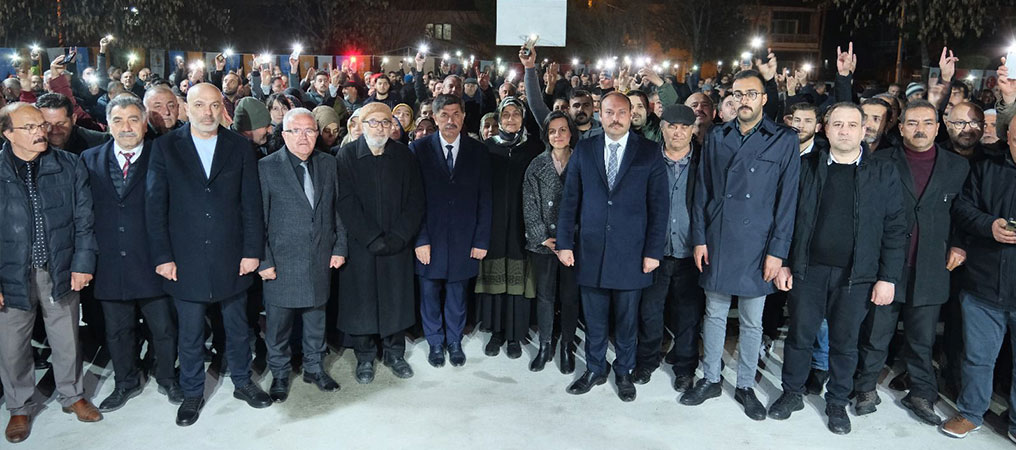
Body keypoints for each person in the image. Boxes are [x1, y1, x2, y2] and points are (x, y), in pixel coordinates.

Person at [766, 102, 907, 434]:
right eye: (837, 124)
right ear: (825, 129)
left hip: (856, 276)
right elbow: (785, 219)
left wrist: (887, 278)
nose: (845, 131)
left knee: (845, 343)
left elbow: (895, 228)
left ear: (863, 130)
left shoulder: (883, 172)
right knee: (800, 337)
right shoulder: (806, 167)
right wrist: (784, 262)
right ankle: (792, 393)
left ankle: (837, 402)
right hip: (808, 270)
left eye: (852, 125)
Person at [146, 83, 271, 427]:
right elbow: (155, 207)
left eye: (214, 105)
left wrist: (251, 252)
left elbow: (251, 204)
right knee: (189, 334)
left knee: (238, 327)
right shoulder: (166, 147)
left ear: (222, 109)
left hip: (232, 257)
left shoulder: (239, 147)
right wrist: (163, 256)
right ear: (187, 108)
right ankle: (191, 393)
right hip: (184, 259)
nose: (206, 112)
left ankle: (243, 382)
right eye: (199, 105)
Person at [682, 70, 800, 420]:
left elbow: (787, 200)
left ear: (764, 99)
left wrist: (778, 252)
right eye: (737, 94)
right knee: (714, 314)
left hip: (759, 244)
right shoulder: (717, 136)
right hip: (718, 238)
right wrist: (700, 239)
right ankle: (711, 378)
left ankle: (746, 384)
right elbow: (703, 190)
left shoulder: (783, 139)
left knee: (752, 320)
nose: (743, 100)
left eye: (751, 94)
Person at [853, 100, 971, 425]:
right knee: (876, 333)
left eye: (927, 123)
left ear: (938, 126)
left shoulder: (957, 167)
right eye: (913, 123)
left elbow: (963, 214)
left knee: (922, 339)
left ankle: (921, 394)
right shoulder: (880, 161)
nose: (920, 129)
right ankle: (865, 387)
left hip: (932, 266)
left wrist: (959, 245)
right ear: (901, 127)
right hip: (888, 266)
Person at [556, 91, 669, 402]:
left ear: (630, 114)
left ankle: (623, 371)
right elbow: (570, 201)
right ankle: (594, 368)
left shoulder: (648, 152)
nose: (615, 118)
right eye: (609, 112)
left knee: (626, 320)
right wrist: (565, 243)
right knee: (593, 318)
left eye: (622, 112)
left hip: (632, 254)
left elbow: (659, 207)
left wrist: (652, 252)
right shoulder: (585, 149)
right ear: (600, 115)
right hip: (590, 249)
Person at [0, 102, 101, 443]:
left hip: (58, 266)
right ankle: (19, 406)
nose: (40, 132)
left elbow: (84, 220)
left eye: (40, 125)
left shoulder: (69, 165)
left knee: (66, 336)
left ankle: (72, 396)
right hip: (10, 271)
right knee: (12, 344)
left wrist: (82, 263)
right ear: (7, 133)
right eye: (28, 127)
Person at [80, 96, 183, 413]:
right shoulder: (89, 158)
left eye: (133, 119)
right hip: (110, 262)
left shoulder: (163, 155)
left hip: (155, 261)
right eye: (118, 120)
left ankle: (167, 377)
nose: (126, 127)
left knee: (163, 329)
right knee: (117, 330)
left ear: (144, 122)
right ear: (108, 124)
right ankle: (126, 381)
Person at [257, 108, 345, 402]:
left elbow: (336, 210)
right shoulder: (267, 167)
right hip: (281, 264)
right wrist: (264, 261)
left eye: (310, 130)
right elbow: (259, 221)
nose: (304, 137)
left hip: (319, 258)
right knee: (279, 327)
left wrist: (339, 247)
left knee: (316, 321)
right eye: (296, 131)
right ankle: (280, 373)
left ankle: (314, 368)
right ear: (284, 135)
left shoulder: (328, 164)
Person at [335, 102, 424, 384]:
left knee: (395, 299)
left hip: (397, 244)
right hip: (363, 245)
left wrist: (399, 236)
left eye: (386, 123)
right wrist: (371, 237)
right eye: (373, 122)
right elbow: (345, 202)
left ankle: (394, 353)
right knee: (362, 301)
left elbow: (416, 199)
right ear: (361, 126)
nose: (380, 128)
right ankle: (364, 356)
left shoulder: (404, 155)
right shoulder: (347, 155)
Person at [943, 112, 1016, 440]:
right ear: (1007, 139)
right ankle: (972, 412)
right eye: (1015, 138)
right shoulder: (987, 169)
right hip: (984, 284)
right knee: (977, 356)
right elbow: (962, 208)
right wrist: (990, 226)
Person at [411, 94, 492, 368]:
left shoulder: (478, 151)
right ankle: (435, 342)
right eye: (444, 115)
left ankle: (454, 341)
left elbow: (485, 198)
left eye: (456, 114)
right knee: (430, 292)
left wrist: (481, 239)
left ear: (463, 117)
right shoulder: (418, 150)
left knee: (458, 293)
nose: (450, 120)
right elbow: (413, 200)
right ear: (434, 118)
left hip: (464, 238)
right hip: (429, 238)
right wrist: (420, 239)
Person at [632, 104, 705, 392]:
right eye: (672, 126)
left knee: (688, 314)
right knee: (650, 311)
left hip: (690, 252)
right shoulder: (648, 160)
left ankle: (685, 368)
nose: (677, 131)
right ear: (662, 128)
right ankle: (647, 360)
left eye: (684, 127)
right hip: (655, 251)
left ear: (692, 130)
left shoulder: (702, 163)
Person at [477, 97, 542, 359]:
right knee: (495, 277)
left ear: (523, 117)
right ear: (499, 118)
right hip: (494, 224)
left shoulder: (533, 147)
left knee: (518, 278)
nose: (511, 119)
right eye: (506, 114)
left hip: (521, 224)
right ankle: (497, 331)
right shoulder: (488, 147)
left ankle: (515, 334)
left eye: (516, 114)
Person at [522, 110, 581, 373]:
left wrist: (569, 240)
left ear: (571, 133)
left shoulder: (582, 162)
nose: (558, 135)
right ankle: (545, 344)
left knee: (569, 297)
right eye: (552, 131)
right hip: (544, 245)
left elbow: (588, 204)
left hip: (572, 245)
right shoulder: (537, 165)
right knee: (545, 296)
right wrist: (545, 238)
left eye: (563, 130)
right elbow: (529, 205)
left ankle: (567, 344)